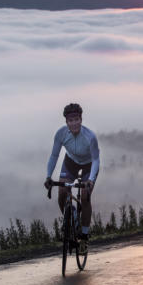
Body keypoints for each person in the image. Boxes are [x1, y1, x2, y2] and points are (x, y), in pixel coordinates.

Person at [44, 103, 99, 254]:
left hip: (89, 166)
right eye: (70, 120)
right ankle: (72, 216)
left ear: (81, 120)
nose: (74, 123)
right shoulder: (61, 134)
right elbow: (54, 156)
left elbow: (96, 160)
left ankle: (84, 237)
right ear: (66, 122)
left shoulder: (90, 137)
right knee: (62, 193)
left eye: (76, 119)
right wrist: (49, 176)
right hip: (70, 163)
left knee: (85, 197)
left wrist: (91, 180)